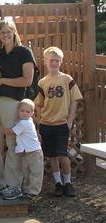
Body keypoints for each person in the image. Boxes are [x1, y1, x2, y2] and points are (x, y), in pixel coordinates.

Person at [0, 20, 35, 200]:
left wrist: (3, 81)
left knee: (13, 144)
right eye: (2, 32)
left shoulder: (24, 52)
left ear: (14, 33)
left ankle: (13, 186)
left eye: (8, 32)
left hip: (13, 103)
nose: (5, 35)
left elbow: (27, 80)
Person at [35, 46, 83, 197]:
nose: (54, 63)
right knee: (52, 155)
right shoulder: (42, 82)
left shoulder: (66, 79)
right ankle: (58, 183)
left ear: (61, 62)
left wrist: (70, 120)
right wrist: (39, 121)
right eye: (51, 60)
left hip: (62, 124)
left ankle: (68, 183)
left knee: (63, 154)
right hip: (46, 124)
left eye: (57, 60)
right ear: (45, 61)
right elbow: (39, 104)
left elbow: (75, 100)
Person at [3, 99, 44, 200]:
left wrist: (1, 127)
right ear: (18, 111)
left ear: (32, 114)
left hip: (34, 152)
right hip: (27, 152)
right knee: (26, 172)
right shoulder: (23, 122)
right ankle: (27, 190)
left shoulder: (25, 123)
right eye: (22, 111)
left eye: (27, 111)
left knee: (35, 172)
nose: (24, 113)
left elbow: (10, 132)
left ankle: (33, 192)